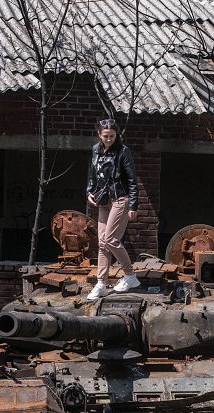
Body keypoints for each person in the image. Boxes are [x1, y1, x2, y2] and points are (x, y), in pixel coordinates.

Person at [86, 118, 140, 300]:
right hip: (103, 200)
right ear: (99, 135)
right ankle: (101, 283)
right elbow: (92, 174)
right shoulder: (96, 150)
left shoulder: (123, 151)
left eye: (112, 135)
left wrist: (133, 205)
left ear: (116, 134)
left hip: (120, 199)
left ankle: (130, 276)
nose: (109, 139)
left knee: (111, 239)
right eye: (105, 136)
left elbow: (132, 180)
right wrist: (89, 191)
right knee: (102, 242)